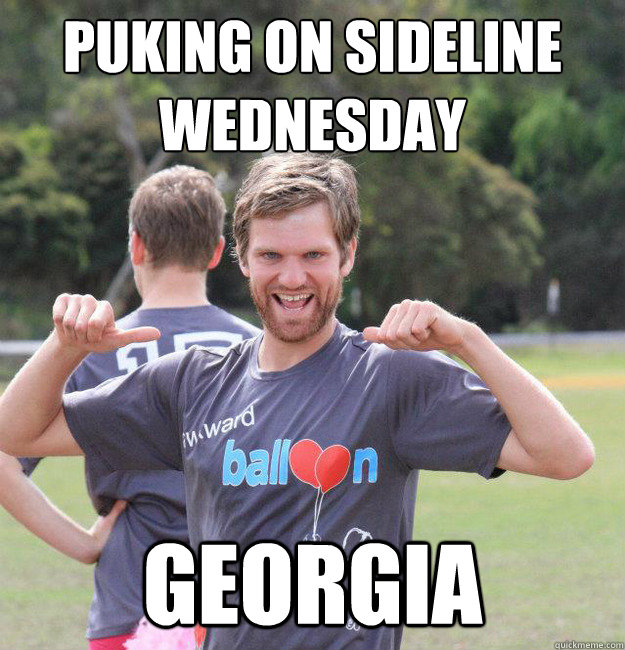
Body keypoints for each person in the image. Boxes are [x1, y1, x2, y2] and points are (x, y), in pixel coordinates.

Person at [0, 153, 594, 650]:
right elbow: (16, 433)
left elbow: (566, 456)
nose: (292, 278)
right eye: (271, 257)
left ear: (348, 255)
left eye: (313, 255)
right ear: (240, 257)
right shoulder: (190, 383)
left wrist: (468, 339)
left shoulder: (389, 377)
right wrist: (63, 345)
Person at [0, 165, 259, 650]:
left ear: (136, 246)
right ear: (218, 252)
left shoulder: (96, 351)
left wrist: (84, 543)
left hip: (131, 599)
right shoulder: (259, 350)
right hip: (243, 607)